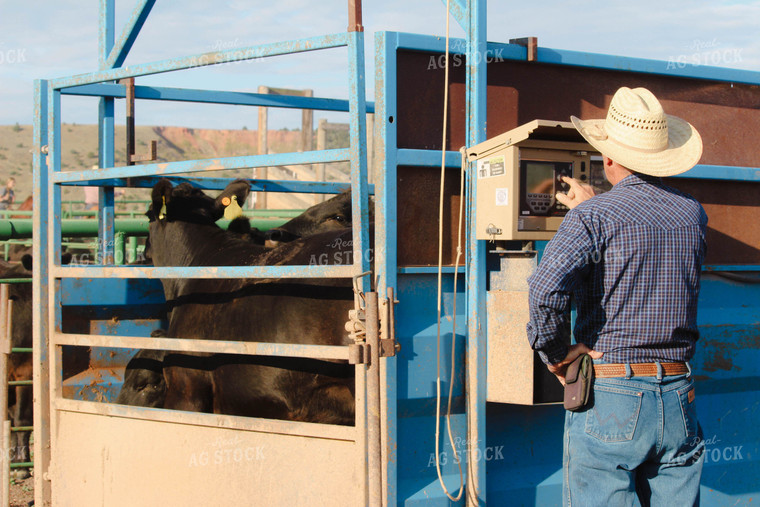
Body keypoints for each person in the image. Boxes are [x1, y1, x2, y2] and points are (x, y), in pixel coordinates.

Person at [526, 87, 707, 506]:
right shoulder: (693, 213)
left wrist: (555, 356)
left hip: (613, 392)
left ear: (607, 158)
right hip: (678, 390)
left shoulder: (593, 216)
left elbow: (545, 289)